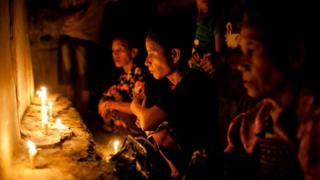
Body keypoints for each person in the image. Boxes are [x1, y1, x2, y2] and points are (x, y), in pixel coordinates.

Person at [224, 1, 319, 179]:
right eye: (242, 52)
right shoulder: (257, 119)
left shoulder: (312, 123)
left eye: (251, 50)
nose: (241, 65)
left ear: (294, 55)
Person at [130, 16, 221, 179]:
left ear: (174, 55)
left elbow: (146, 121)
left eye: (152, 53)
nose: (146, 61)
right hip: (184, 163)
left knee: (156, 131)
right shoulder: (168, 85)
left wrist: (136, 108)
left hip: (205, 165)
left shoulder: (193, 82)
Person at [58, 0, 112, 114]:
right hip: (67, 36)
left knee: (85, 79)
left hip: (87, 39)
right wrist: (73, 14)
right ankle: (71, 112)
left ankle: (83, 114)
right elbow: (60, 14)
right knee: (68, 77)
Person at [98, 35, 145, 135]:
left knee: (115, 108)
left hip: (143, 124)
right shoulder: (123, 77)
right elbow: (108, 94)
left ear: (133, 52)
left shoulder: (139, 74)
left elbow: (140, 107)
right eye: (113, 51)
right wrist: (104, 103)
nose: (115, 54)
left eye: (120, 50)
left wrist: (111, 105)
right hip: (128, 123)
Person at [188, 0, 223, 77]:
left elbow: (218, 54)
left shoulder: (214, 20)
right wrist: (192, 58)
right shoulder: (192, 20)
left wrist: (215, 60)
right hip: (193, 70)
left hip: (206, 71)